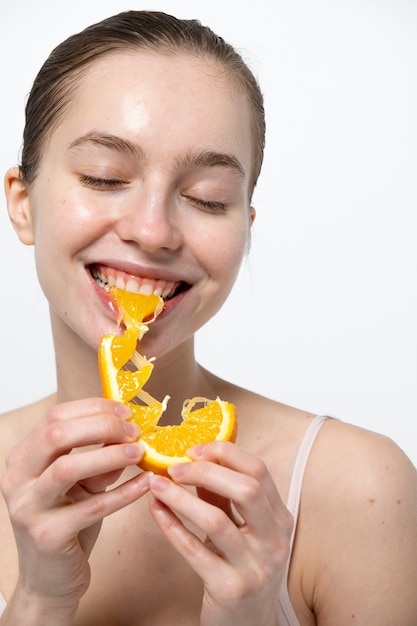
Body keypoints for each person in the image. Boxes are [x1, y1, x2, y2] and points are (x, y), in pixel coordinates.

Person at [0, 9, 416, 625]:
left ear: (244, 229)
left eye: (206, 198)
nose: (153, 230)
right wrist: (39, 602)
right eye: (104, 176)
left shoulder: (360, 489)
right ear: (24, 203)